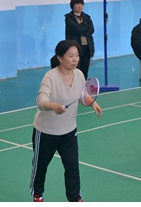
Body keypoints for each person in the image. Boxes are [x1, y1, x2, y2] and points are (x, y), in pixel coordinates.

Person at [30, 40, 103, 202]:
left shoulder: (79, 74)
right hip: (46, 132)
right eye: (71, 56)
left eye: (77, 55)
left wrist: (92, 102)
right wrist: (54, 106)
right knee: (40, 167)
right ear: (60, 58)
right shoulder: (50, 77)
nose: (75, 59)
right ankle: (37, 195)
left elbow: (82, 95)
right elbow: (41, 101)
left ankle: (75, 198)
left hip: (69, 132)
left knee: (72, 168)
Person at [64, 0, 95, 80]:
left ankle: (83, 85)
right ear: (73, 6)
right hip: (75, 47)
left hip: (87, 47)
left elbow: (91, 30)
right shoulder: (68, 18)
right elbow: (75, 29)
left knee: (85, 70)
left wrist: (81, 29)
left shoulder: (87, 17)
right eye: (77, 4)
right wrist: (85, 29)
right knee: (75, 69)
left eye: (81, 4)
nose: (80, 6)